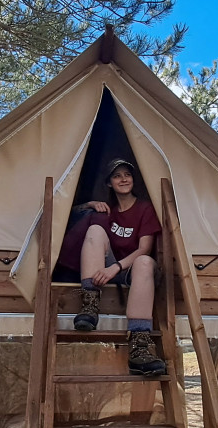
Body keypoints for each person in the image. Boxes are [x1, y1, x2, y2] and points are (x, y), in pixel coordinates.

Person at [57, 158, 166, 376]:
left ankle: (139, 346)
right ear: (109, 183)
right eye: (117, 176)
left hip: (134, 270)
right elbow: (65, 213)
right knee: (95, 229)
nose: (123, 179)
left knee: (144, 262)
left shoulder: (144, 208)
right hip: (108, 269)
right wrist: (90, 204)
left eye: (127, 174)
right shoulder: (108, 210)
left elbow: (145, 248)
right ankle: (90, 305)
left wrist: (115, 267)